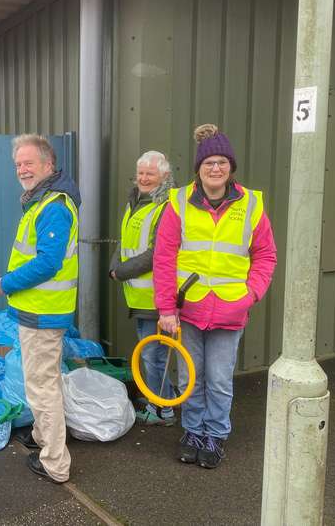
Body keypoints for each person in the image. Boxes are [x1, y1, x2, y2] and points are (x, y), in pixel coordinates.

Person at [154, 124, 277, 469]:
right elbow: (164, 258)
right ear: (199, 169)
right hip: (187, 309)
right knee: (189, 378)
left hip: (229, 311)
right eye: (209, 163)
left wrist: (250, 294)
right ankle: (192, 431)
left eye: (222, 162)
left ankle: (215, 435)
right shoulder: (178, 203)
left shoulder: (250, 204)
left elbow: (266, 255)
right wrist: (166, 308)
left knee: (220, 381)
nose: (215, 168)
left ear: (231, 168)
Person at [0, 133, 81, 484]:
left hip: (43, 313)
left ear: (49, 164)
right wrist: (11, 277)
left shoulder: (53, 207)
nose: (22, 169)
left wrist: (8, 283)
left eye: (29, 163)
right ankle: (45, 437)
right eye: (18, 164)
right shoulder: (41, 201)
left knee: (42, 388)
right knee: (46, 382)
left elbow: (47, 264)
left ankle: (55, 463)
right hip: (38, 309)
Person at [109, 150, 176, 426]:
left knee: (152, 355)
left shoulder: (166, 207)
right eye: (141, 173)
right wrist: (114, 266)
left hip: (155, 298)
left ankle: (162, 410)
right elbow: (123, 241)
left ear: (165, 176)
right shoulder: (136, 200)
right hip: (138, 296)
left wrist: (121, 271)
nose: (144, 178)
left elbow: (156, 253)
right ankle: (160, 399)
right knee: (152, 354)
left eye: (150, 173)